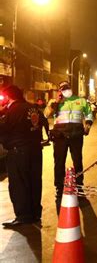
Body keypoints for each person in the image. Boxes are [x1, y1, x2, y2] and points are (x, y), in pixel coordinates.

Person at [0, 85, 45, 227]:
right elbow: (43, 122)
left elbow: (4, 129)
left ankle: (23, 216)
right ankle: (35, 213)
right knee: (34, 182)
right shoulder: (33, 108)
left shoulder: (13, 110)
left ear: (8, 96)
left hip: (19, 152)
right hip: (36, 150)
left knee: (19, 184)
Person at [44, 81, 93, 207]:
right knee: (59, 162)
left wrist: (88, 124)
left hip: (76, 135)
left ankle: (79, 187)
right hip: (60, 135)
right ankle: (59, 188)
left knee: (78, 161)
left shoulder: (81, 101)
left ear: (71, 88)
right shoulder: (54, 102)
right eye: (62, 88)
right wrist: (56, 103)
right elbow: (46, 115)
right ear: (59, 90)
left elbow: (88, 113)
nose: (65, 90)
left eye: (67, 88)